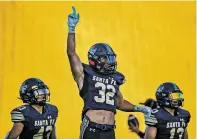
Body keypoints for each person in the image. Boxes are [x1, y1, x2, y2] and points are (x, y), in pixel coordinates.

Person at [67, 6, 151, 139]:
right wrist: (71, 29)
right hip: (91, 128)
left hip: (110, 130)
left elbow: (120, 103)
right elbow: (71, 53)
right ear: (96, 60)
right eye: (106, 59)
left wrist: (139, 108)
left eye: (111, 58)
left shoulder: (114, 77)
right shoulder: (85, 74)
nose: (110, 62)